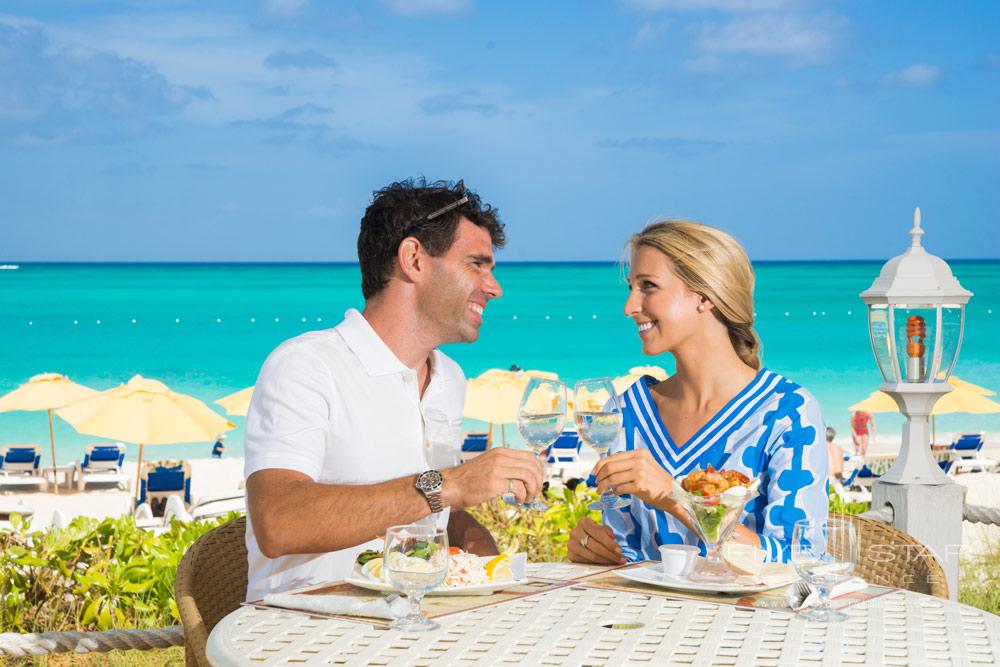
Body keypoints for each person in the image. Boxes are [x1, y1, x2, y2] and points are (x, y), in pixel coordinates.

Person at [243, 179, 545, 600]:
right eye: (477, 264)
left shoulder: (449, 379)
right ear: (414, 259)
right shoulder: (306, 366)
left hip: (415, 623)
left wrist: (476, 549)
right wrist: (449, 485)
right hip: (305, 627)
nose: (494, 287)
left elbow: (429, 508)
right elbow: (278, 522)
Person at [568, 220, 828, 566]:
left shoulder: (787, 413)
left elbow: (804, 561)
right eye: (631, 287)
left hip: (751, 619)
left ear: (704, 296)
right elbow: (628, 559)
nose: (629, 306)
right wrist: (594, 549)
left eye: (648, 286)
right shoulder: (624, 413)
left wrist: (676, 498)